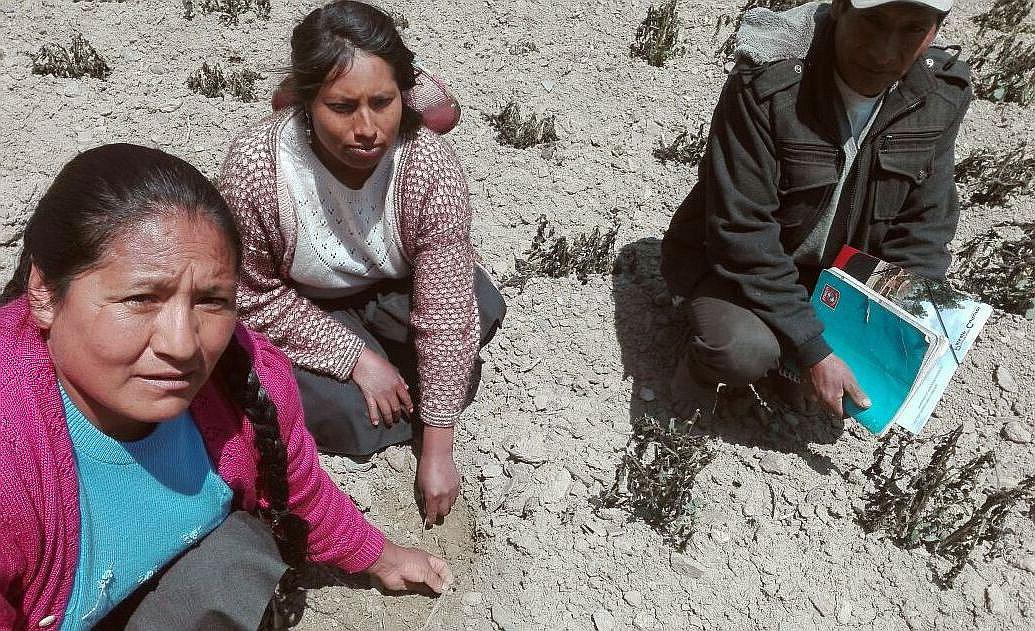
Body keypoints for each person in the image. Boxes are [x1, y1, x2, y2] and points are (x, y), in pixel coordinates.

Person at [0, 144, 454, 630]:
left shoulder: (247, 377)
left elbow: (298, 487)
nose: (182, 343)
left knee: (241, 556)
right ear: (45, 294)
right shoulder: (14, 456)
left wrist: (378, 556)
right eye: (140, 299)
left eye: (211, 300)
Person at [219, 0, 505, 527]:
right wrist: (356, 359)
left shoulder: (425, 163)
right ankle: (401, 371)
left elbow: (444, 310)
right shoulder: (258, 170)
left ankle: (418, 380)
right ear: (306, 104)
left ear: (404, 95)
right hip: (303, 300)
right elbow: (249, 294)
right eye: (342, 106)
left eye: (383, 101)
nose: (367, 129)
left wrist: (437, 450)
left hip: (387, 284)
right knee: (355, 420)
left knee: (478, 306)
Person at [661, 0, 972, 421]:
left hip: (831, 278)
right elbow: (742, 232)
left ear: (936, 28)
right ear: (841, 7)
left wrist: (903, 327)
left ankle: (794, 355)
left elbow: (925, 228)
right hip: (732, 266)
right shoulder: (770, 79)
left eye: (912, 29)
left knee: (878, 361)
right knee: (743, 352)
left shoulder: (937, 95)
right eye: (873, 22)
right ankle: (701, 370)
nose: (885, 52)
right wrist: (814, 350)